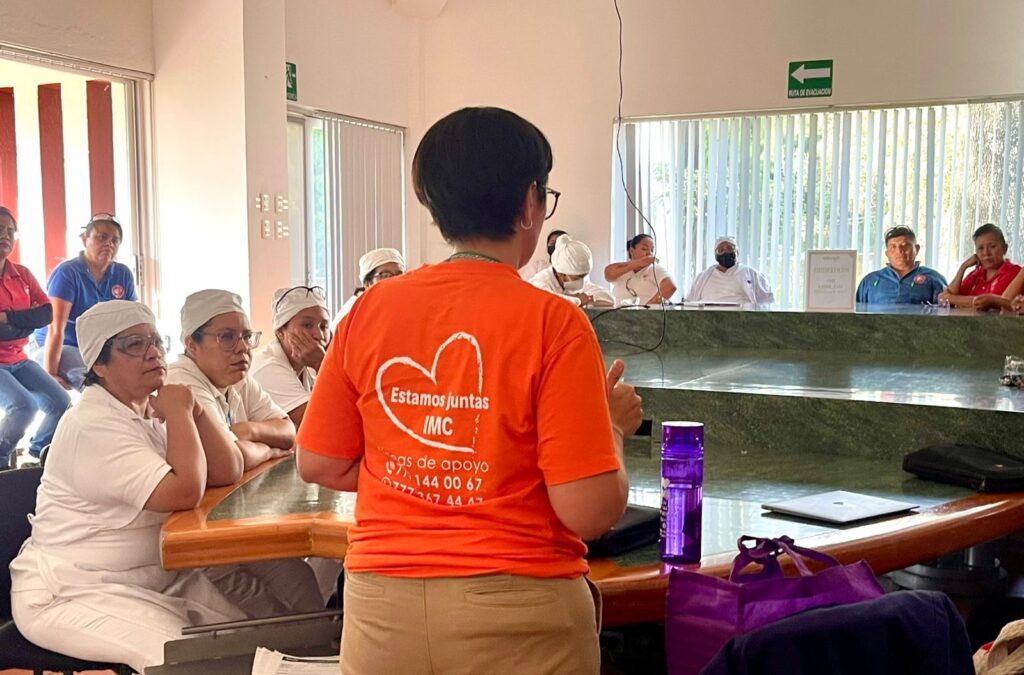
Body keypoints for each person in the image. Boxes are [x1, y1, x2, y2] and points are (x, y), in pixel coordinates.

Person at [296, 106, 643, 674]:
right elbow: (586, 511)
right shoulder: (553, 322)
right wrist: (609, 426)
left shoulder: (370, 309)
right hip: (518, 613)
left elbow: (318, 461)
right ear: (531, 201)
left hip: (382, 612)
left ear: (435, 204)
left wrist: (428, 468)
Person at [10, 301, 322, 673]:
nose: (154, 352)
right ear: (99, 364)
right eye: (134, 345)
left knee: (259, 640)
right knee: (183, 662)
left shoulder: (150, 408)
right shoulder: (93, 422)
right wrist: (179, 412)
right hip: (75, 589)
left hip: (157, 578)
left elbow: (226, 469)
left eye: (156, 341)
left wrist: (193, 408)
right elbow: (184, 493)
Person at [167, 289, 297, 472]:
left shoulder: (237, 378)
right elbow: (229, 460)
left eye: (247, 336)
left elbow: (288, 431)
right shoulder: (182, 382)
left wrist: (250, 430)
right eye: (227, 337)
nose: (243, 347)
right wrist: (269, 451)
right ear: (192, 345)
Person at [33, 213, 137, 390]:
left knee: (133, 381)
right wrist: (50, 375)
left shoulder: (122, 274)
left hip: (98, 346)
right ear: (85, 239)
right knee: (97, 386)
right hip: (63, 345)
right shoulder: (68, 273)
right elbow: (56, 328)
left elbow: (131, 321)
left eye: (115, 240)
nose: (109, 244)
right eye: (102, 237)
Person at [0, 207, 70, 467]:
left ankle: (36, 454)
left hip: (19, 357)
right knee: (24, 406)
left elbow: (45, 314)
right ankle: (1, 457)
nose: (5, 236)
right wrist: (24, 320)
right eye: (0, 230)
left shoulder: (23, 274)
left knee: (61, 402)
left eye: (10, 231)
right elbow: (31, 319)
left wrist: (7, 319)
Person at [252, 285, 330, 427]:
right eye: (307, 325)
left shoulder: (307, 366)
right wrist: (322, 364)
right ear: (280, 331)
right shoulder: (268, 368)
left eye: (324, 327)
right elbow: (324, 424)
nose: (318, 335)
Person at [855, 226, 947, 305]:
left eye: (905, 245)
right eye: (893, 247)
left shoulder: (934, 279)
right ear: (887, 253)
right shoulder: (870, 281)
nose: (899, 251)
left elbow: (946, 314)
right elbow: (856, 316)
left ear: (917, 249)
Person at [939, 224, 1022, 310]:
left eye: (992, 247)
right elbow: (945, 296)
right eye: (980, 248)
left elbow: (986, 302)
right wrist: (963, 267)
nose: (986, 253)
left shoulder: (1014, 272)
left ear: (1005, 248)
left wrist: (950, 298)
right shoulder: (976, 274)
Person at [686, 235, 775, 306]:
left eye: (729, 249)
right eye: (721, 250)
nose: (725, 252)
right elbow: (690, 303)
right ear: (715, 255)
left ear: (737, 252)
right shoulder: (702, 277)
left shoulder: (753, 275)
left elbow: (766, 303)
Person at [530, 233, 614, 308]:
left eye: (584, 276)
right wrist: (578, 300)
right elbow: (551, 302)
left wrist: (589, 297)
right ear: (561, 274)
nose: (581, 280)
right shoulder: (541, 281)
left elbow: (609, 299)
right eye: (577, 277)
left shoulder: (580, 279)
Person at [331, 248, 406, 328]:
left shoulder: (398, 305)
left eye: (399, 275)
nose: (394, 280)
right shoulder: (352, 313)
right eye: (385, 275)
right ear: (367, 284)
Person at [604, 233, 677, 305]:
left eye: (652, 250)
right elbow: (608, 274)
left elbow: (670, 287)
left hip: (645, 315)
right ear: (632, 251)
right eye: (644, 249)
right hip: (617, 314)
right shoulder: (624, 268)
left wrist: (647, 307)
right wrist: (637, 263)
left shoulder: (655, 269)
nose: (649, 253)